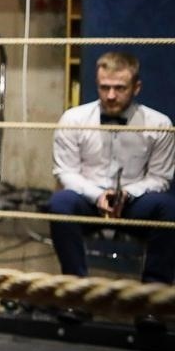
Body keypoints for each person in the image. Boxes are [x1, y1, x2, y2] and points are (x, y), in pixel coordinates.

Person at [46, 51, 175, 325]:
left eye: (120, 88)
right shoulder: (73, 119)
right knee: (59, 203)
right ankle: (76, 295)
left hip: (133, 201)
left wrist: (127, 194)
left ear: (136, 88)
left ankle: (152, 301)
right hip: (88, 199)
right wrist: (97, 195)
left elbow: (161, 178)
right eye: (105, 87)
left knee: (169, 209)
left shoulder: (160, 125)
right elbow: (65, 171)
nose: (111, 96)